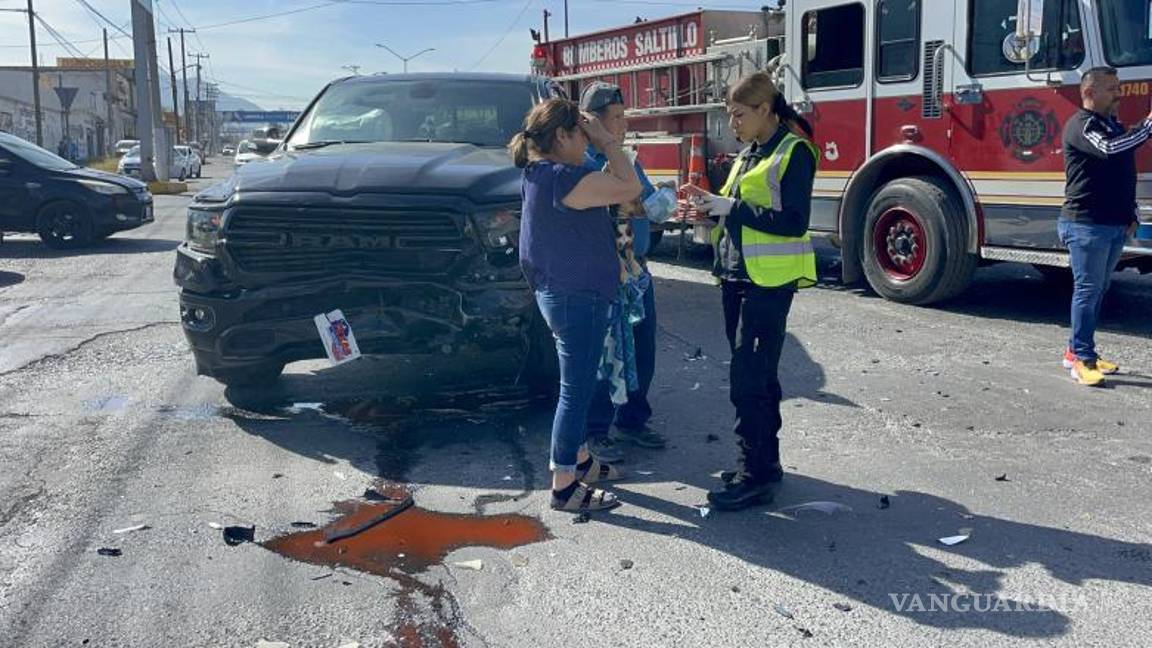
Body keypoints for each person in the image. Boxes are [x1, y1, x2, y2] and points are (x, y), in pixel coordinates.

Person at [680, 72, 818, 511]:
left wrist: (733, 207)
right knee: (758, 377)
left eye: (739, 114)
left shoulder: (794, 152)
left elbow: (794, 221)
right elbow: (735, 212)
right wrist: (708, 206)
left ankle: (753, 475)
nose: (732, 123)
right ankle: (765, 463)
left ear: (765, 110)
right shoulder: (749, 154)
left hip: (768, 284)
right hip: (736, 278)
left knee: (748, 381)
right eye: (730, 115)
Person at [509, 98, 643, 512]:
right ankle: (564, 483)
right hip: (576, 298)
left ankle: (580, 458)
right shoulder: (565, 179)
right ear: (562, 136)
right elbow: (630, 187)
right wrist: (607, 142)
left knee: (578, 386)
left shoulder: (540, 174)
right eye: (582, 135)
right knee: (576, 390)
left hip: (565, 294)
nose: (587, 142)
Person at [579, 82, 671, 462]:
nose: (623, 124)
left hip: (636, 271)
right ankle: (595, 431)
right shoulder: (584, 165)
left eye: (623, 116)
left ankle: (633, 420)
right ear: (593, 123)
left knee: (642, 349)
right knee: (604, 357)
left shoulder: (626, 160)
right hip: (606, 275)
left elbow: (646, 203)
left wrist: (664, 198)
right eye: (616, 118)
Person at [1059, 67, 1151, 386]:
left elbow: (1123, 171)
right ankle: (1081, 360)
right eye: (1111, 89)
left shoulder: (1112, 125)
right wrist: (1148, 126)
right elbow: (1110, 150)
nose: (1118, 94)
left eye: (1118, 87)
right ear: (1089, 93)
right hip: (1086, 224)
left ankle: (1077, 350)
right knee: (1087, 291)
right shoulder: (1082, 125)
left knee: (1098, 290)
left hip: (1113, 224)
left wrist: (1132, 212)